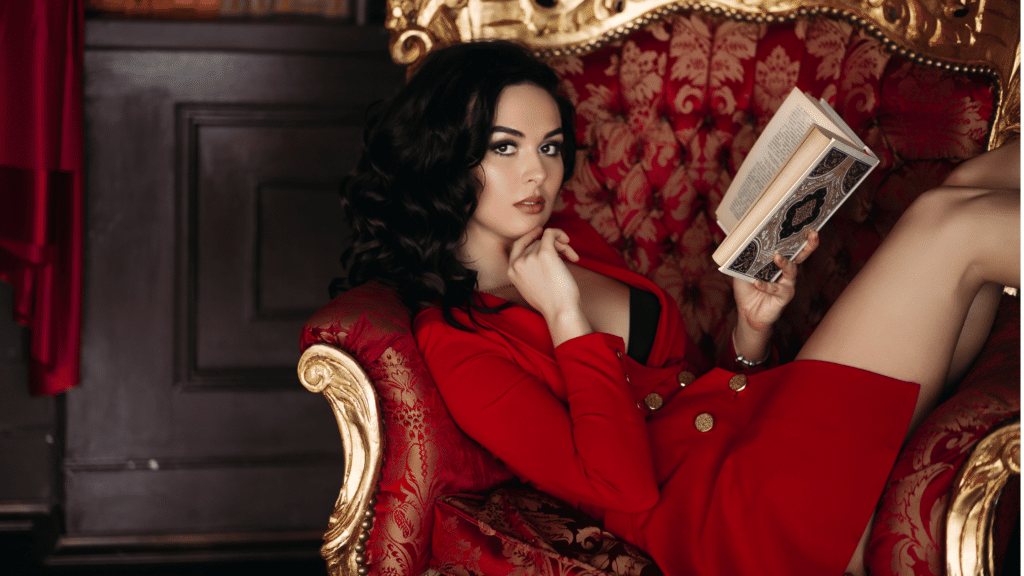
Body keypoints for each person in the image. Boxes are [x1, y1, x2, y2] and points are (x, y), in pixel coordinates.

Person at [340, 40, 1020, 576]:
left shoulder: (570, 239)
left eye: (550, 148)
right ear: (446, 158)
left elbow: (685, 389)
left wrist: (750, 332)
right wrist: (565, 318)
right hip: (730, 519)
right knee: (950, 227)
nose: (539, 174)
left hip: (758, 432)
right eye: (504, 147)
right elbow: (625, 485)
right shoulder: (457, 342)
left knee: (971, 183)